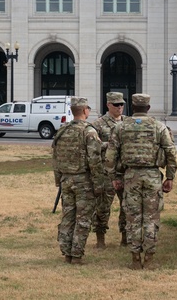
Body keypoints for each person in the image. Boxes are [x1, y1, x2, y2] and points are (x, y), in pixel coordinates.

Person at [105, 93, 177, 270]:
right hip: (152, 176)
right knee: (151, 218)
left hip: (130, 177)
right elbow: (170, 152)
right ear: (148, 108)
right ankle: (150, 259)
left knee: (133, 218)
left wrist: (114, 177)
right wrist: (169, 177)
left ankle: (135, 259)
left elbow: (110, 156)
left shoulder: (121, 127)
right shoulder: (159, 127)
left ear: (132, 106)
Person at [51, 96, 104, 265]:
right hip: (83, 181)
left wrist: (58, 179)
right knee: (83, 218)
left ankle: (66, 253)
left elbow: (55, 157)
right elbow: (94, 160)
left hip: (66, 179)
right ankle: (76, 255)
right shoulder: (89, 131)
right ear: (85, 111)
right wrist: (98, 183)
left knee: (68, 217)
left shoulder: (62, 131)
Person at [92, 91, 127, 248]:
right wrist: (111, 145)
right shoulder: (98, 125)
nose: (120, 107)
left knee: (127, 206)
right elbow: (93, 146)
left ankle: (125, 237)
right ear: (108, 105)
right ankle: (100, 238)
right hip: (106, 172)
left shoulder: (128, 123)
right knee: (103, 207)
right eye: (116, 105)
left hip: (124, 171)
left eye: (122, 104)